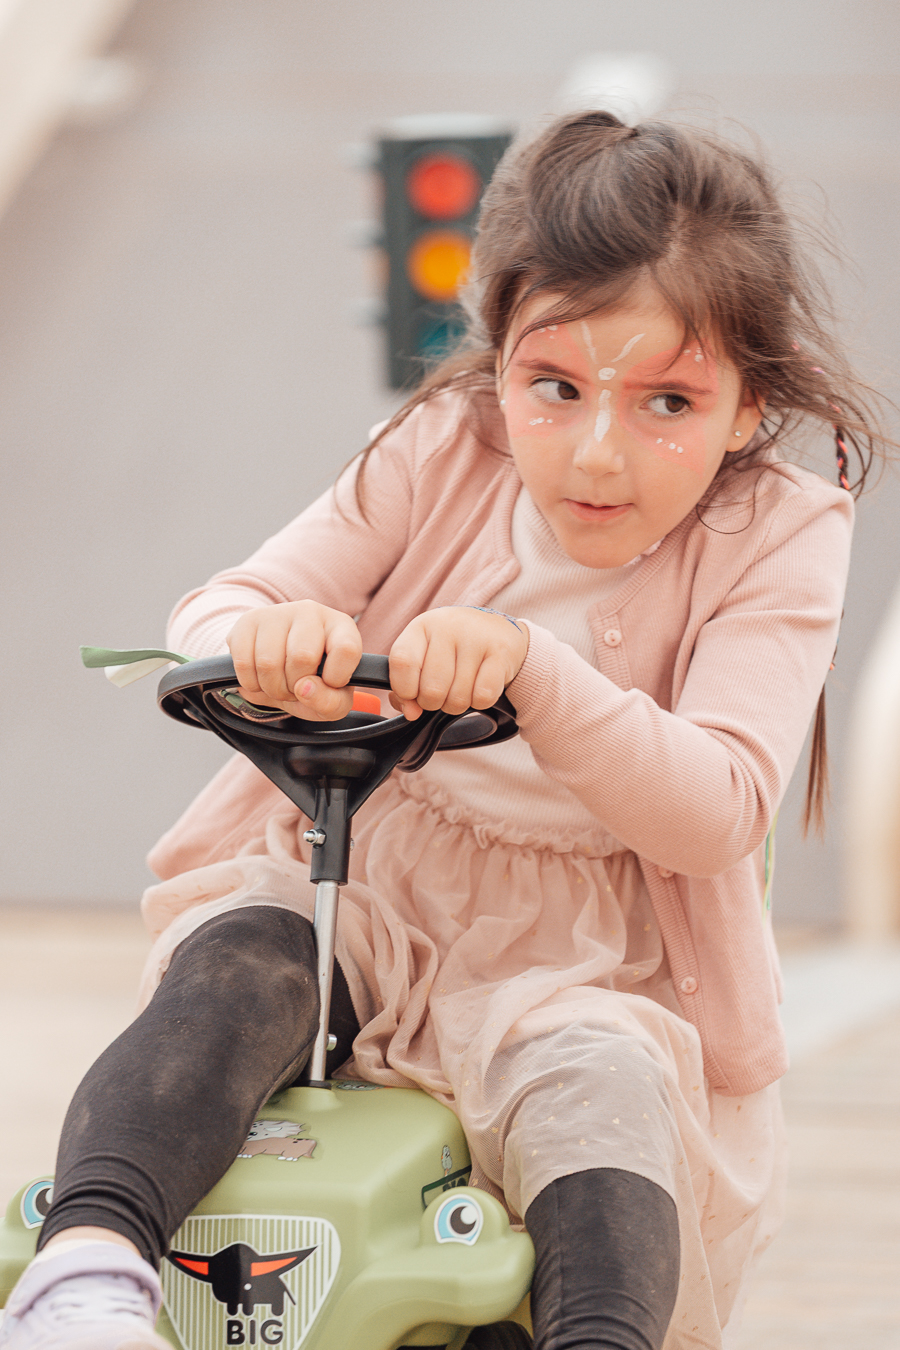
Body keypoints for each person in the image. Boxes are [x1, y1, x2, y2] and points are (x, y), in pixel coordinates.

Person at [1, 110, 887, 1350]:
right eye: (555, 387)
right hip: (367, 883)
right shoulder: (440, 445)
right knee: (241, 959)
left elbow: (718, 810)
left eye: (668, 402)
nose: (598, 454)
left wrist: (535, 672)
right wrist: (273, 637)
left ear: (750, 406)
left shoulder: (781, 532)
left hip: (590, 956)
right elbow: (220, 606)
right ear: (499, 360)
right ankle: (89, 1263)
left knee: (602, 1087)